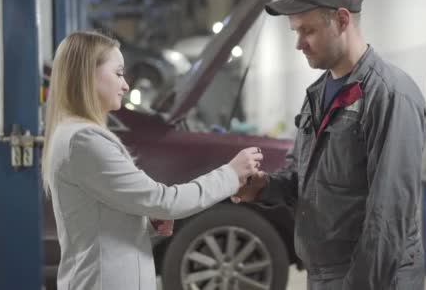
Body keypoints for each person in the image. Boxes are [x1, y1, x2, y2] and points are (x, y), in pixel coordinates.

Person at [232, 0, 426, 290]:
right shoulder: (318, 93)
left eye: (307, 30)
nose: (299, 44)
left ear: (342, 20)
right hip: (323, 271)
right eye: (295, 32)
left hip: (373, 276)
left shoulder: (389, 94)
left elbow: (389, 214)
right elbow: (301, 177)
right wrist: (264, 187)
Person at [41, 31, 263, 290]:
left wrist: (145, 222)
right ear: (87, 74)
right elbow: (164, 201)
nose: (125, 85)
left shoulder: (71, 134)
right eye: (118, 73)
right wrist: (231, 175)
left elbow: (97, 220)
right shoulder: (85, 142)